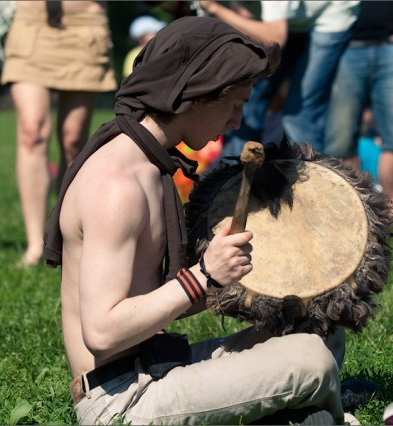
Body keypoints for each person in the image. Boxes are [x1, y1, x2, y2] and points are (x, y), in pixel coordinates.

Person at [43, 16, 347, 425]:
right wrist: (204, 276)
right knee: (310, 359)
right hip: (120, 400)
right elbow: (102, 332)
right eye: (234, 104)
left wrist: (236, 280)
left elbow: (148, 303)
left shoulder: (147, 161)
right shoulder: (118, 185)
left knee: (318, 329)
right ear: (198, 96)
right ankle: (308, 410)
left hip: (156, 364)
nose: (237, 121)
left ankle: (299, 410)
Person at [0, 1, 116, 266]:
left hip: (85, 26)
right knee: (32, 132)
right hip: (32, 23)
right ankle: (34, 247)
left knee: (74, 140)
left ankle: (64, 240)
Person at [196, 0, 359, 158]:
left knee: (299, 113)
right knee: (246, 103)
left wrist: (214, 8)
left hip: (328, 18)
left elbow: (275, 38)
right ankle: (234, 177)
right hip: (282, 19)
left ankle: (307, 178)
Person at [324, 1, 393, 229]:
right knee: (341, 139)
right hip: (342, 46)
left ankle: (392, 211)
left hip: (391, 45)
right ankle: (354, 211)